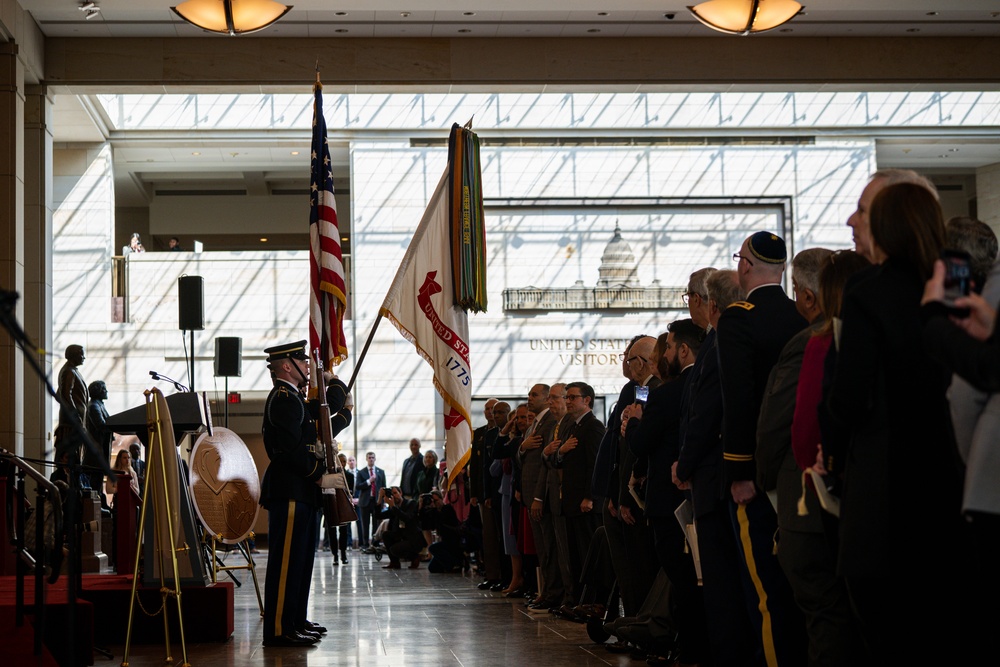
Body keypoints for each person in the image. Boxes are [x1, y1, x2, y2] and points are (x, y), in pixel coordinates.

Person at [827, 182, 965, 663]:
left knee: (884, 626)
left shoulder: (868, 289)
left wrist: (831, 449)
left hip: (883, 477)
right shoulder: (955, 276)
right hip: (948, 466)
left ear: (885, 225)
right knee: (941, 621)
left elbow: (849, 393)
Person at [259, 339, 350, 648]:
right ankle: (278, 629)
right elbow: (290, 450)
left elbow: (323, 412)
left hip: (302, 490)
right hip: (291, 488)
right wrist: (318, 474)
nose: (308, 365)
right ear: (287, 365)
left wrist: (337, 387)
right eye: (302, 360)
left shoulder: (294, 398)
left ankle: (295, 620)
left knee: (301, 559)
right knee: (287, 562)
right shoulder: (283, 398)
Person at [55, 344, 90, 463]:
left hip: (75, 422)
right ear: (73, 355)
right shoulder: (68, 371)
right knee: (70, 456)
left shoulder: (72, 371)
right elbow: (65, 395)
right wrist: (76, 416)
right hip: (71, 424)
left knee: (76, 455)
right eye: (81, 353)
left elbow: (58, 394)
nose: (84, 357)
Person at [377, 486, 426, 569]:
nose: (394, 496)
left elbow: (406, 518)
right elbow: (378, 516)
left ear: (401, 493)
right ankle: (394, 563)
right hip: (401, 536)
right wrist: (379, 499)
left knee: (394, 549)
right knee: (386, 535)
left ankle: (414, 557)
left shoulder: (411, 503)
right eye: (391, 494)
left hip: (413, 538)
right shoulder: (393, 507)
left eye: (395, 493)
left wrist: (393, 506)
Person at [84, 380, 113, 503]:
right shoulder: (94, 406)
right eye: (104, 389)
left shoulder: (100, 404)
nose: (106, 391)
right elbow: (101, 424)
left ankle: (99, 503)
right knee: (95, 482)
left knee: (98, 481)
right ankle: (95, 505)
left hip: (101, 449)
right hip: (96, 451)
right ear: (98, 391)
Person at [355, 451, 387, 552]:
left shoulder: (380, 472)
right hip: (365, 502)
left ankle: (375, 543)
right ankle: (365, 544)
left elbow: (384, 487)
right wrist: (369, 481)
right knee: (365, 524)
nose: (371, 459)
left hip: (376, 501)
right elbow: (358, 486)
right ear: (366, 459)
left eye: (373, 457)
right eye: (369, 457)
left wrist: (384, 501)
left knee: (376, 523)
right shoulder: (361, 472)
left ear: (375, 459)